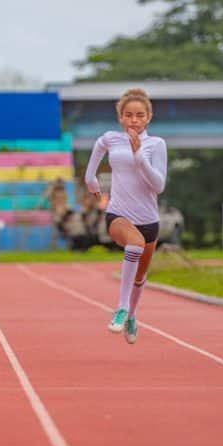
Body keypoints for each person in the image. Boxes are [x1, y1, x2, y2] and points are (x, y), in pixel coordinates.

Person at [84, 88, 167, 344]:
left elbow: (159, 185)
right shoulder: (111, 139)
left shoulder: (156, 144)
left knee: (140, 276)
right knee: (134, 244)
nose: (134, 120)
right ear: (121, 117)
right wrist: (91, 179)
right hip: (118, 214)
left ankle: (131, 315)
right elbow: (95, 158)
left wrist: (140, 156)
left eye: (140, 115)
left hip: (149, 220)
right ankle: (120, 307)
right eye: (128, 115)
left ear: (148, 117)